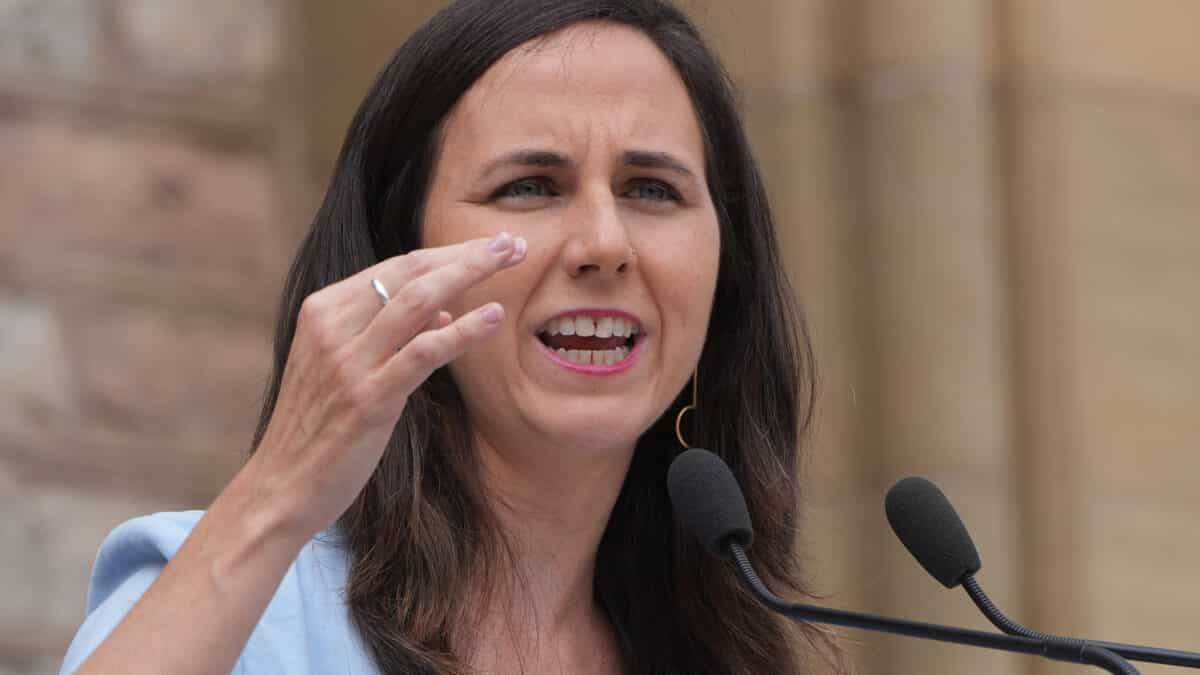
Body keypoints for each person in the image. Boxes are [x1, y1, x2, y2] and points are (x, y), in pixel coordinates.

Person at [59, 0, 837, 673]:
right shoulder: (248, 595)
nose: (605, 241)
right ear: (401, 255)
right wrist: (276, 493)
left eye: (651, 189)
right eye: (530, 186)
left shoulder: (718, 650)